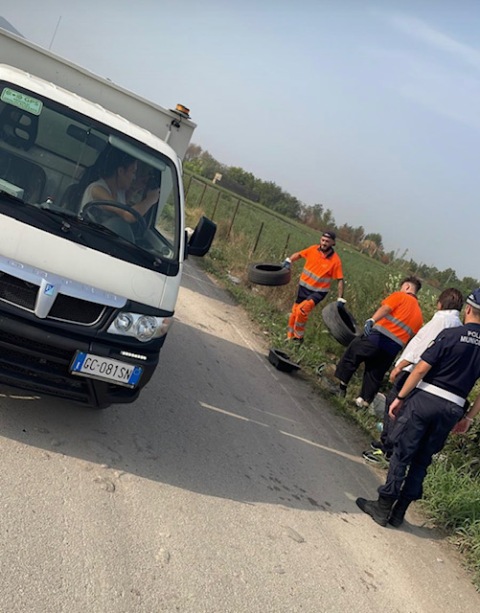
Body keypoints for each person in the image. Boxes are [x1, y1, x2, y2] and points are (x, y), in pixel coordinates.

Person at [356, 288, 480, 528]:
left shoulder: (451, 334)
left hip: (426, 401)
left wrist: (401, 397)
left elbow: (422, 368)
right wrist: (469, 418)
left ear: (467, 309)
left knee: (402, 452)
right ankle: (399, 512)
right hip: (453, 408)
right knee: (422, 460)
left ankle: (383, 507)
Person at [362, 287, 464, 464]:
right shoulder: (457, 325)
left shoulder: (441, 321)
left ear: (440, 303)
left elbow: (423, 349)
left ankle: (386, 448)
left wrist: (400, 366)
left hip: (413, 371)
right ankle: (388, 446)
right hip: (429, 379)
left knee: (394, 407)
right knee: (402, 412)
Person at [334, 276, 423, 407]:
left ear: (407, 287)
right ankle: (363, 403)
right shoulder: (419, 315)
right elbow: (412, 337)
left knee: (353, 352)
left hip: (377, 338)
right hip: (392, 350)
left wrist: (372, 320)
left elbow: (386, 308)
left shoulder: (400, 296)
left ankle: (341, 387)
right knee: (375, 374)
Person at [284, 230, 345, 343]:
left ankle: (298, 338)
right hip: (303, 288)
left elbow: (340, 280)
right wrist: (289, 260)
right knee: (294, 313)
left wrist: (340, 298)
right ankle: (289, 337)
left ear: (333, 243)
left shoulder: (335, 261)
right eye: (323, 240)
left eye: (327, 241)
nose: (324, 243)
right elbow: (299, 254)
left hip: (318, 292)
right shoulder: (312, 249)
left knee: (301, 311)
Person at [80, 148, 159, 222]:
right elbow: (128, 215)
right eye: (133, 172)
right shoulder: (97, 189)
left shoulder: (119, 192)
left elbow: (123, 204)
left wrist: (135, 188)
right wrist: (150, 200)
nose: (134, 177)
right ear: (120, 171)